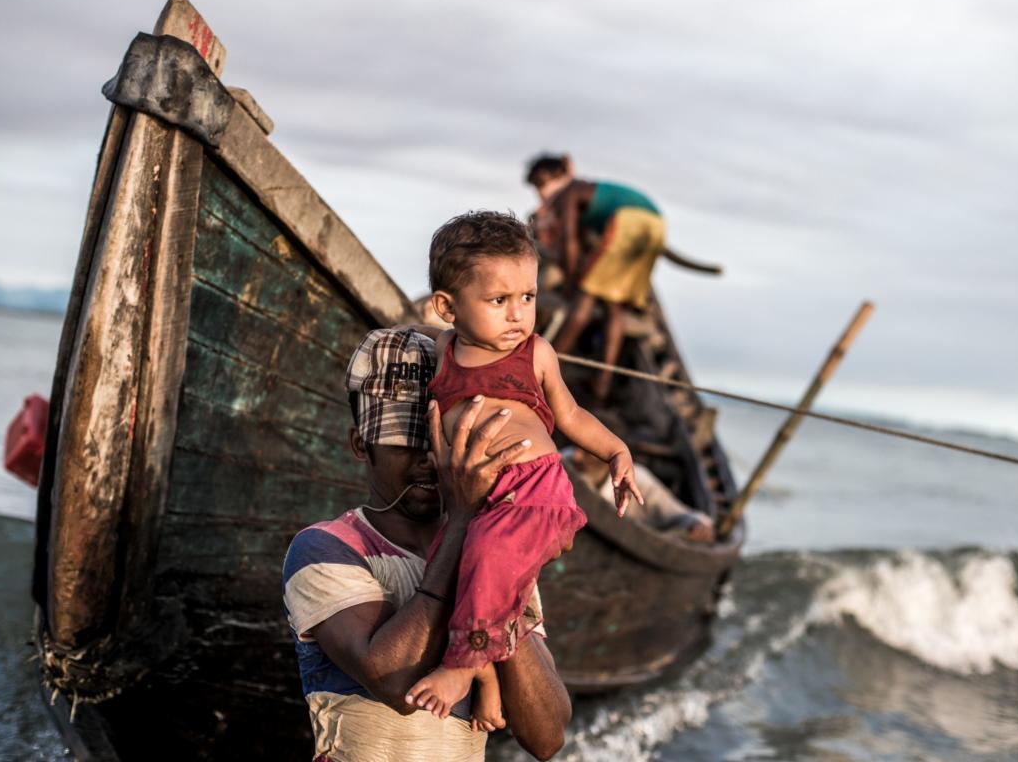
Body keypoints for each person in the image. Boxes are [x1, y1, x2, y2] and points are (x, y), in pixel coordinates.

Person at [281, 328, 571, 761]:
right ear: (361, 444)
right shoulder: (325, 548)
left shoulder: (497, 553)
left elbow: (546, 736)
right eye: (409, 437)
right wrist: (463, 525)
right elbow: (395, 683)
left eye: (447, 434)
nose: (431, 455)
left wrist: (494, 576)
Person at [401, 211, 644, 722]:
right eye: (498, 300)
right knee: (450, 573)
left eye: (527, 298)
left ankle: (462, 669)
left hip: (534, 491)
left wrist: (617, 452)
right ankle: (488, 679)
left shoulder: (536, 354)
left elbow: (571, 415)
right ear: (447, 307)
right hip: (474, 495)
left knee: (487, 561)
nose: (518, 315)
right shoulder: (442, 349)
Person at [525, 153, 667, 398]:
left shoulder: (570, 192)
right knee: (614, 306)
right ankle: (603, 381)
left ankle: (540, 373)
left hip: (630, 223)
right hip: (656, 224)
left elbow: (570, 241)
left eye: (542, 184)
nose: (542, 193)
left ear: (561, 175)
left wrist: (571, 285)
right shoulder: (587, 192)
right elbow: (577, 242)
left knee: (584, 299)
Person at [563, 447, 715, 543]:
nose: (577, 456)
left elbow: (681, 514)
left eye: (588, 452)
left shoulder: (638, 482)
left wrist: (698, 526)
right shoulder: (567, 460)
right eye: (579, 446)